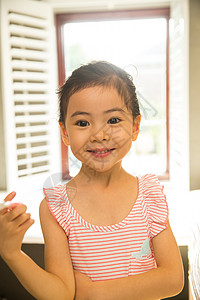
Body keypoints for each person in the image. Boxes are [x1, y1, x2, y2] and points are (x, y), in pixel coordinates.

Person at [0, 61, 184, 300]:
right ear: (65, 132)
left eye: (114, 120)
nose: (99, 134)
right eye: (83, 123)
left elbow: (173, 279)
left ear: (135, 127)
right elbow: (60, 294)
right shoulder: (56, 207)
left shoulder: (149, 195)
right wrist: (12, 252)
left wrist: (96, 293)